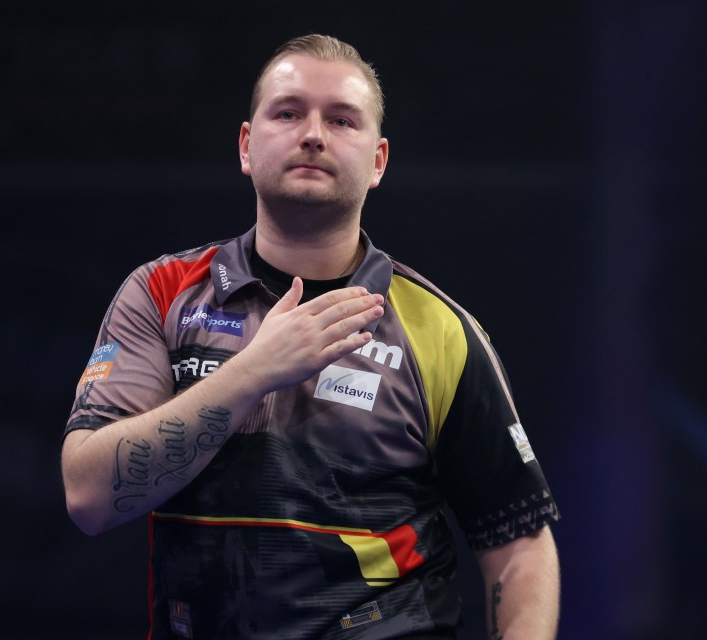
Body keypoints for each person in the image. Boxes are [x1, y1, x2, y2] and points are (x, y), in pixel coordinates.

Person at [62, 34, 561, 639]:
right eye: (289, 112)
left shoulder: (441, 330)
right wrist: (252, 372)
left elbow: (519, 540)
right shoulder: (161, 293)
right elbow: (88, 496)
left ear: (378, 161)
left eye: (342, 119)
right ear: (247, 146)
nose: (314, 134)